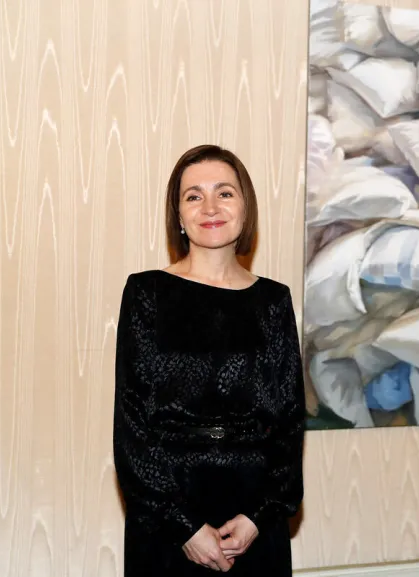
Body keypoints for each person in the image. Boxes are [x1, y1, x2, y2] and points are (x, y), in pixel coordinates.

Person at [113, 144, 306, 576]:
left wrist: (258, 517)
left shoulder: (274, 301)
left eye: (225, 192)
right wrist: (185, 527)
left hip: (255, 518)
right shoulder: (147, 294)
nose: (210, 207)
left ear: (245, 206)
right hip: (167, 518)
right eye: (193, 196)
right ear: (179, 216)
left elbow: (290, 424)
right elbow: (132, 426)